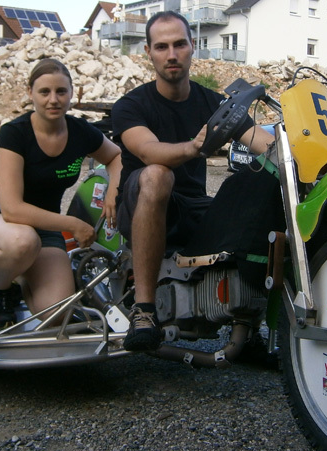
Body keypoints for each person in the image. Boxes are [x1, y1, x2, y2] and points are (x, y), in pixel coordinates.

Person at [111, 11, 274, 351]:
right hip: (143, 203)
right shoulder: (131, 105)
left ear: (192, 47)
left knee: (261, 186)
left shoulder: (212, 102)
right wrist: (194, 146)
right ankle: (144, 310)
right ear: (148, 52)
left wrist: (291, 152)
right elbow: (147, 151)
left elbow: (260, 140)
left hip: (194, 207)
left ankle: (250, 323)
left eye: (180, 44)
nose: (172, 54)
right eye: (162, 46)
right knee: (158, 174)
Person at [0, 58, 122, 328]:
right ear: (30, 93)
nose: (53, 99)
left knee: (56, 315)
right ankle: (2, 289)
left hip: (45, 230)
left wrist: (114, 192)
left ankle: (23, 272)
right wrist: (73, 224)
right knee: (22, 242)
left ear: (72, 93)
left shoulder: (79, 131)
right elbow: (12, 209)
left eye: (61, 91)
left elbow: (117, 156)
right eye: (44, 92)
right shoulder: (14, 133)